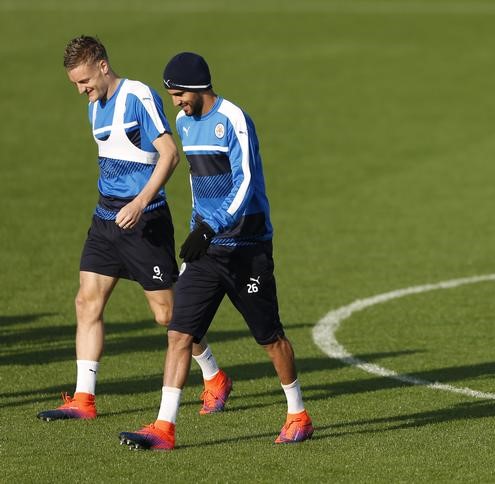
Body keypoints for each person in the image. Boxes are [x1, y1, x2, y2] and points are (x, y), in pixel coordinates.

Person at [119, 52, 313, 450]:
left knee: (269, 337)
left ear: (196, 87)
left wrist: (210, 227)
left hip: (247, 249)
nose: (176, 102)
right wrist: (198, 228)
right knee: (179, 332)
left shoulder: (234, 120)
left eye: (178, 94)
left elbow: (246, 183)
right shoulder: (185, 124)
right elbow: (196, 183)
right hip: (207, 251)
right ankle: (164, 427)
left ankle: (298, 413)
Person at [38, 36, 232, 422]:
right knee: (86, 301)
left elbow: (169, 153)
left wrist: (140, 202)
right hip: (105, 220)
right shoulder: (95, 106)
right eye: (75, 84)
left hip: (145, 222)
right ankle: (84, 398)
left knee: (167, 316)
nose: (81, 91)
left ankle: (214, 376)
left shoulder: (138, 96)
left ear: (102, 65)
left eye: (84, 81)